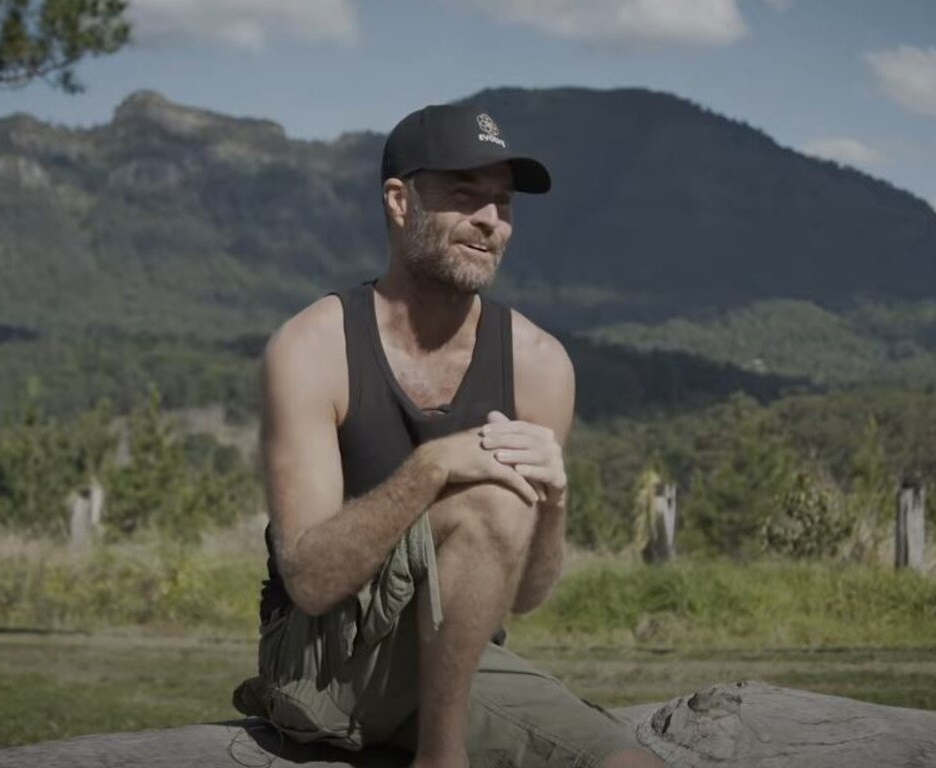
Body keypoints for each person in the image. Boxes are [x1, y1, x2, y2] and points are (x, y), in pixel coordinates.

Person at [233, 104, 663, 768]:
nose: (491, 221)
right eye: (467, 198)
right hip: (319, 660)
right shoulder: (314, 348)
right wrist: (432, 469)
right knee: (490, 495)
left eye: (503, 204)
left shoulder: (541, 365)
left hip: (457, 662)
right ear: (400, 202)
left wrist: (553, 505)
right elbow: (311, 583)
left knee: (631, 764)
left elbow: (525, 594)